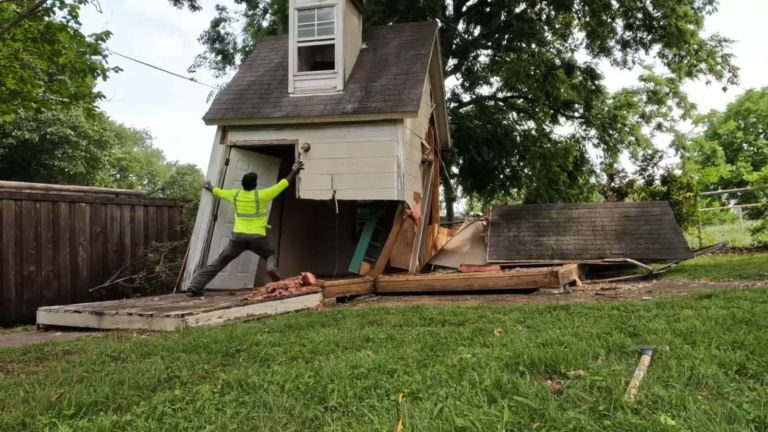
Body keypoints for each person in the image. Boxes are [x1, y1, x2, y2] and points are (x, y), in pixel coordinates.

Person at [186, 160, 304, 297]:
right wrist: (294, 169)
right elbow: (283, 184)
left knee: (220, 262)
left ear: (242, 184)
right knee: (270, 254)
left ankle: (195, 287)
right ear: (255, 185)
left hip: (238, 238)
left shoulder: (235, 195)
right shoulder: (262, 195)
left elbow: (218, 192)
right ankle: (271, 267)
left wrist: (209, 187)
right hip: (257, 237)